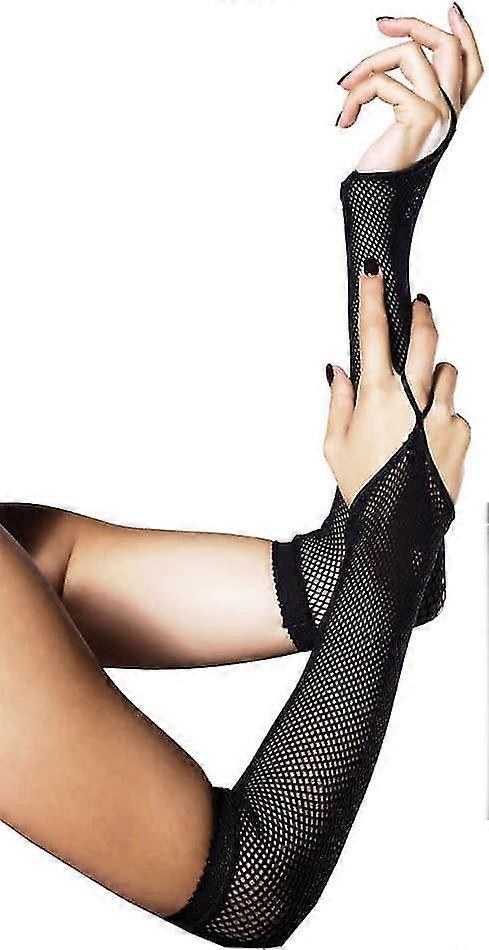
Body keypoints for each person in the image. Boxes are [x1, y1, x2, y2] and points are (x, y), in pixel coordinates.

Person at [0, 7, 482, 943]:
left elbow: (351, 586)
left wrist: (379, 213)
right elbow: (249, 888)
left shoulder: (23, 549)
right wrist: (396, 525)